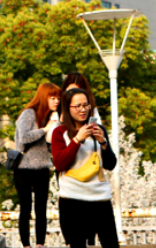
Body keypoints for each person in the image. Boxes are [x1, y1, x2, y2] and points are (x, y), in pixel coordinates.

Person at [51, 88, 118, 248]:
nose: (83, 109)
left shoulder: (98, 130)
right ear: (68, 108)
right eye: (77, 106)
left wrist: (103, 142)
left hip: (100, 197)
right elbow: (60, 164)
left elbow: (110, 164)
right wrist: (77, 140)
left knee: (111, 244)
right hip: (72, 199)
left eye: (86, 105)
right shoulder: (60, 132)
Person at [14, 83, 61, 248]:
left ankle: (40, 244)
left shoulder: (50, 117)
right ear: (43, 97)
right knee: (25, 208)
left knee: (41, 209)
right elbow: (24, 137)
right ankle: (26, 245)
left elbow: (47, 144)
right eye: (52, 97)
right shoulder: (29, 114)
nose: (56, 101)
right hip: (23, 168)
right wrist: (45, 129)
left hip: (42, 167)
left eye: (58, 98)